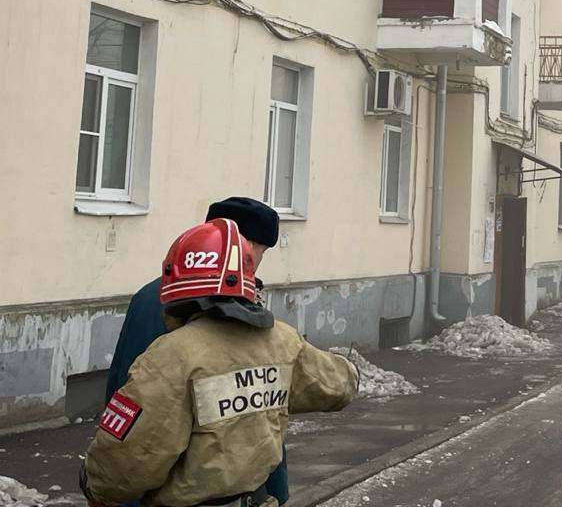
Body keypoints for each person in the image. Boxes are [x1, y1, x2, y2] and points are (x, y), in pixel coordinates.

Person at [81, 218, 358, 507]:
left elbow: (125, 465)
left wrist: (93, 484)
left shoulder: (170, 356)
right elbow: (339, 385)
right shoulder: (282, 342)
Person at [106, 197, 290, 505]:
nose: (258, 261)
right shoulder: (229, 307)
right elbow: (258, 399)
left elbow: (120, 392)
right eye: (260, 250)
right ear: (241, 245)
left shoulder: (153, 293)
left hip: (148, 475)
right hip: (201, 485)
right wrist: (277, 488)